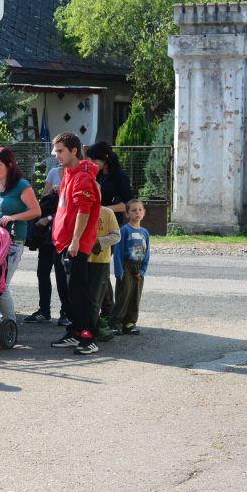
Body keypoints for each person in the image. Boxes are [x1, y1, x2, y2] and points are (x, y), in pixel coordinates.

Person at [49, 132, 102, 355]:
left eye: (60, 151)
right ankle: (75, 330)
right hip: (61, 243)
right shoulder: (68, 174)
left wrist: (75, 240)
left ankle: (89, 336)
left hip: (75, 245)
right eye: (55, 151)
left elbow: (84, 210)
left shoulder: (82, 177)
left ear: (73, 151)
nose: (57, 155)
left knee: (78, 291)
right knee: (66, 291)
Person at [0, 146, 40, 325]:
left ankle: (9, 325)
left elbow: (36, 211)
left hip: (13, 241)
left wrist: (13, 217)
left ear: (9, 165)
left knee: (1, 285)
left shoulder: (21, 185)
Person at [86, 141, 134, 331]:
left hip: (111, 225)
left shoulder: (119, 177)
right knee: (95, 267)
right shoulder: (98, 175)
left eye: (95, 159)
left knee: (101, 267)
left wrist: (104, 209)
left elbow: (128, 203)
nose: (93, 163)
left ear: (105, 158)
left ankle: (107, 310)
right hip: (94, 224)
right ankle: (105, 309)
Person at [23, 186, 70, 325]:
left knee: (62, 277)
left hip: (62, 238)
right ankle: (44, 311)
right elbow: (40, 205)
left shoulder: (74, 182)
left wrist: (49, 218)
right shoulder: (54, 180)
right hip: (46, 240)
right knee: (42, 274)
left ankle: (66, 312)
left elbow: (69, 212)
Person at [111, 199, 150, 336]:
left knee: (135, 296)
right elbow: (118, 252)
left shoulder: (145, 232)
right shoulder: (124, 230)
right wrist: (119, 271)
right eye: (133, 210)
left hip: (138, 267)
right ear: (127, 214)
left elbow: (147, 253)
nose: (137, 213)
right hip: (126, 266)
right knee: (124, 295)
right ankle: (116, 323)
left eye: (140, 210)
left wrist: (142, 270)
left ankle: (129, 323)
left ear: (144, 213)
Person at [87, 206, 120, 342]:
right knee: (84, 297)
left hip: (100, 262)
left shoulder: (107, 212)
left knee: (96, 298)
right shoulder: (79, 210)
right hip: (81, 260)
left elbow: (116, 236)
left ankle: (95, 329)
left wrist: (97, 241)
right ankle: (87, 327)